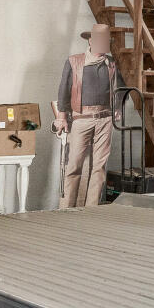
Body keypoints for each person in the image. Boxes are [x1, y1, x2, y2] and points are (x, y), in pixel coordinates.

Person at [55, 24, 118, 208]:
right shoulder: (74, 61)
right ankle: (65, 208)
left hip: (105, 119)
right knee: (74, 164)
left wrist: (118, 108)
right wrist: (61, 117)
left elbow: (119, 89)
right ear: (90, 41)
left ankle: (92, 210)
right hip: (81, 118)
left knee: (99, 167)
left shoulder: (111, 63)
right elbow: (63, 92)